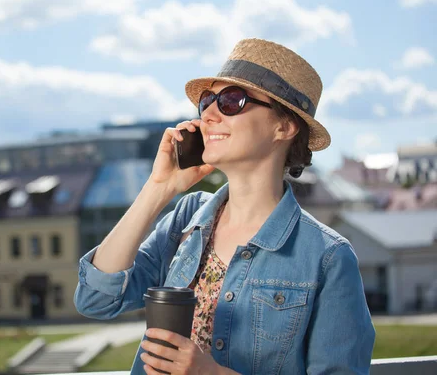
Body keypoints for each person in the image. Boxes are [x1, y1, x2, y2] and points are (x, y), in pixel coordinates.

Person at [74, 38, 375, 374]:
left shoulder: (328, 258)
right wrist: (158, 190)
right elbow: (96, 300)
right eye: (207, 101)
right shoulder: (187, 219)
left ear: (284, 126)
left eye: (232, 100)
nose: (209, 115)